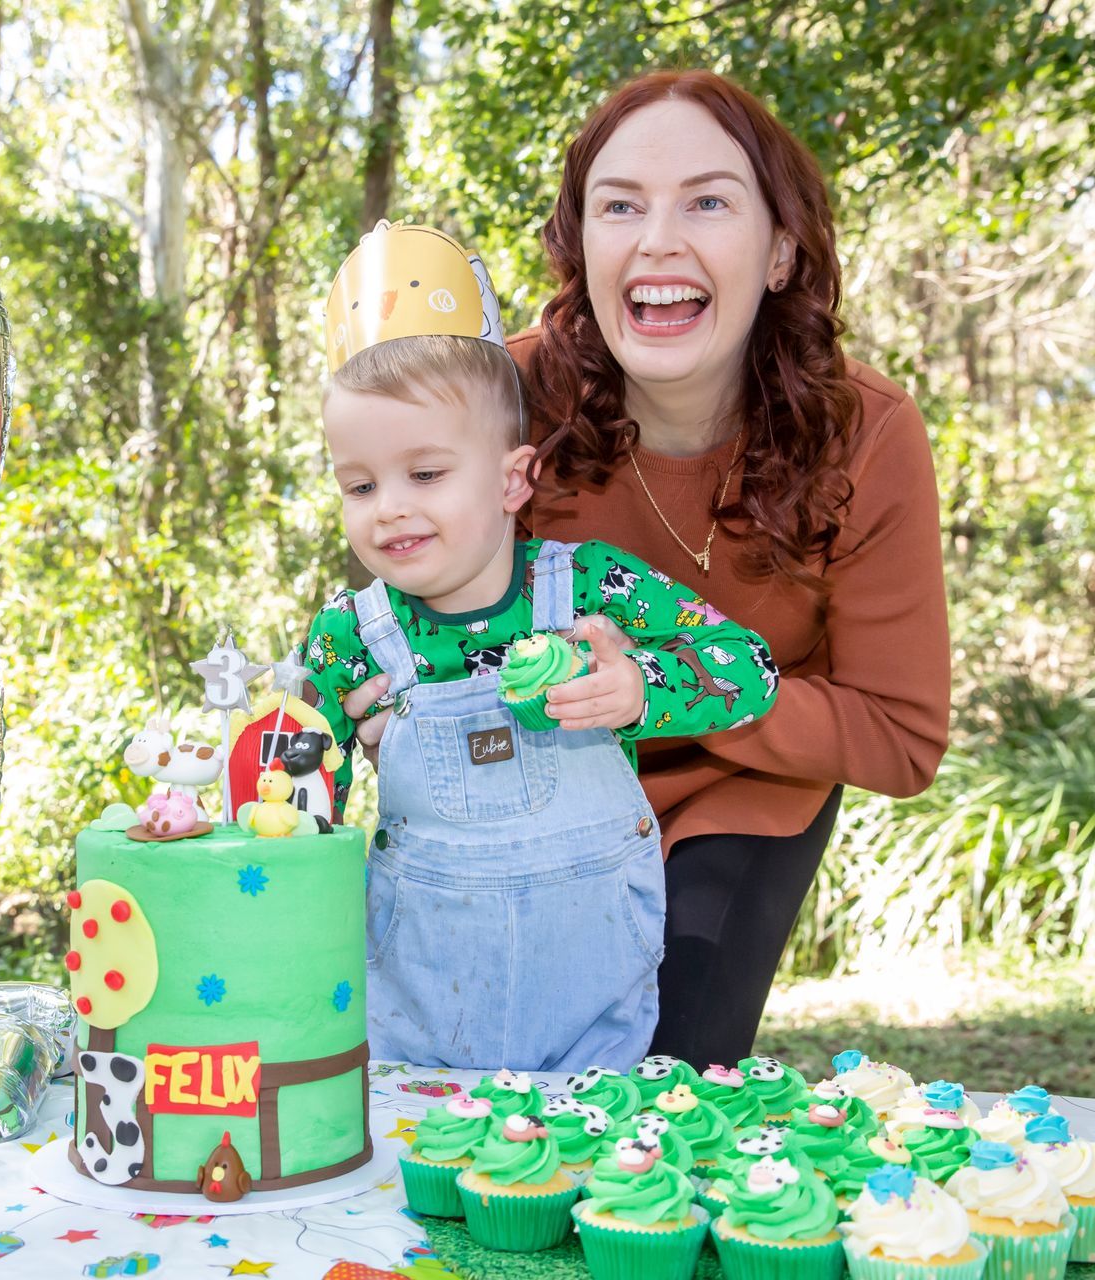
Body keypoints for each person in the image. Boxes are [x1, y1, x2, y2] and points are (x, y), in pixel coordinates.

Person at [342, 72, 952, 1068]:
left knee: (650, 1081)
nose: (658, 239)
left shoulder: (867, 433)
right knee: (468, 1069)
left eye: (707, 201)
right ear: (583, 246)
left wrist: (660, 690)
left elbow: (900, 736)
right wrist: (371, 716)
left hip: (742, 784)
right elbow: (400, 612)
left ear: (782, 250)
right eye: (620, 205)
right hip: (526, 787)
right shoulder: (497, 400)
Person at [303, 221, 779, 1071]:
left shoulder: (591, 590)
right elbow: (290, 787)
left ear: (512, 479)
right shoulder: (354, 635)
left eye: (425, 474)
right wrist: (312, 766)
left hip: (593, 1024)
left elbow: (752, 668)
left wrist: (638, 686)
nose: (389, 509)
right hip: (417, 1031)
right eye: (360, 484)